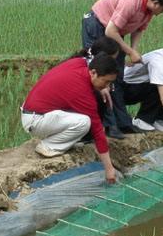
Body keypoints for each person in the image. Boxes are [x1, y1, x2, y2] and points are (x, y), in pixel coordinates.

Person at [81, 0, 163, 138]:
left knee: (116, 78)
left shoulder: (148, 10)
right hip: (98, 25)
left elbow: (138, 29)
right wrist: (129, 51)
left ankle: (123, 123)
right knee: (101, 77)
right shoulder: (131, 1)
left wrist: (133, 51)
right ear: (156, 3)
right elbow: (110, 30)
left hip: (115, 32)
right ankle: (107, 125)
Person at [21, 53, 119, 183]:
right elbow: (98, 131)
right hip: (35, 120)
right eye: (106, 82)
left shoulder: (79, 63)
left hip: (35, 111)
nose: (107, 86)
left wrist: (101, 87)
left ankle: (56, 140)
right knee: (84, 122)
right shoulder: (81, 91)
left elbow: (87, 61)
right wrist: (109, 169)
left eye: (110, 83)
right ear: (93, 73)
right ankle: (49, 147)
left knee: (81, 117)